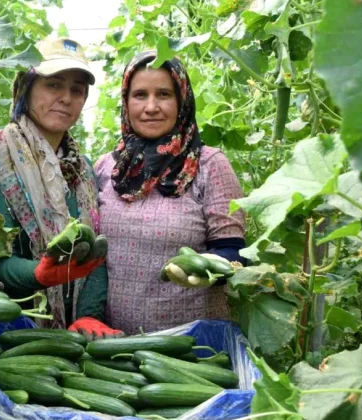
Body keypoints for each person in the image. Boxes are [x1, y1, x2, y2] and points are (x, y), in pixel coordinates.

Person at [0, 38, 123, 340]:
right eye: (53, 85)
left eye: (77, 90)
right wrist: (39, 275)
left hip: (70, 339)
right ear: (26, 88)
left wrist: (89, 315)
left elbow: (95, 256)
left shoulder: (83, 169)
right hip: (10, 328)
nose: (66, 98)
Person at [94, 50, 247, 335]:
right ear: (126, 102)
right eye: (140, 95)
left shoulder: (210, 165)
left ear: (182, 100)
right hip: (113, 346)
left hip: (192, 347)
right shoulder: (106, 167)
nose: (151, 107)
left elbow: (235, 252)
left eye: (164, 94)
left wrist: (206, 273)